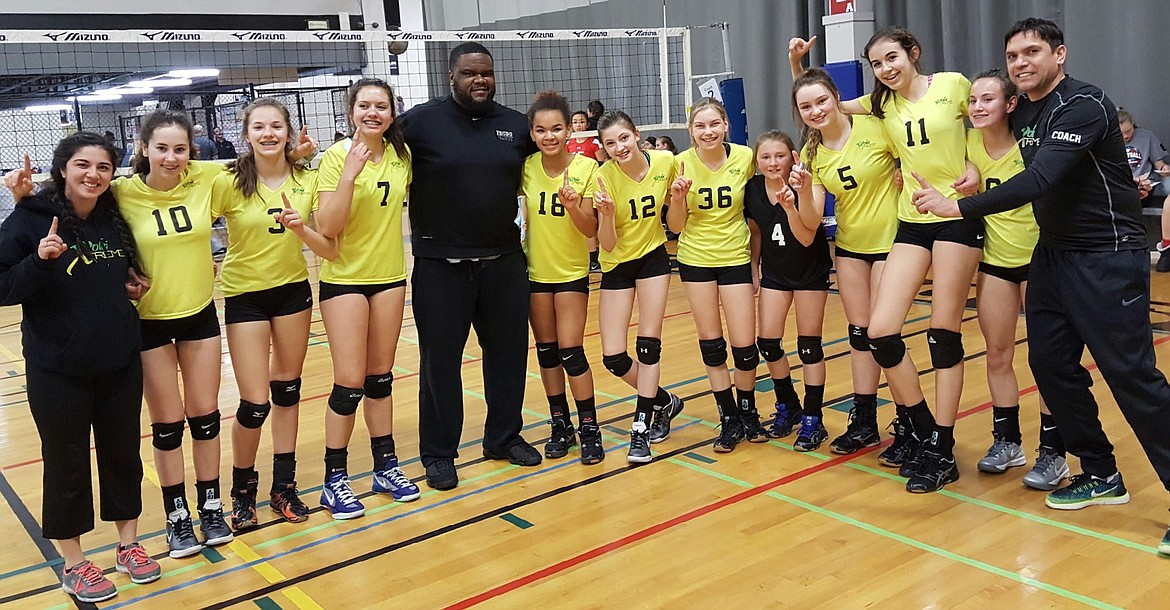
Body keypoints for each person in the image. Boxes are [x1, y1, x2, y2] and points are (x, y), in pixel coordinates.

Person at [912, 17, 1170, 554]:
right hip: (1052, 255)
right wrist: (976, 173)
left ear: (1060, 54)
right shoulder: (1022, 108)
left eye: (1032, 52)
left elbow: (1042, 177)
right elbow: (996, 146)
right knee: (1050, 365)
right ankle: (1101, 472)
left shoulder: (1084, 104)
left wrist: (957, 206)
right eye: (1012, 56)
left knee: (1134, 380)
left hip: (1107, 257)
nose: (1021, 63)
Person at [791, 29, 981, 493]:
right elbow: (823, 102)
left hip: (955, 214)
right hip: (911, 221)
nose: (886, 69)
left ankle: (942, 446)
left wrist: (978, 168)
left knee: (942, 335)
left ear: (912, 53)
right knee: (878, 333)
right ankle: (920, 427)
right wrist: (798, 69)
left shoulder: (953, 84)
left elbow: (989, 122)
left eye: (891, 58)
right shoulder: (880, 105)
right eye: (876, 64)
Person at [0, 132, 160, 603]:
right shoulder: (30, 217)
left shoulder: (112, 218)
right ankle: (74, 564)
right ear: (63, 169)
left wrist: (131, 287)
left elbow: (112, 275)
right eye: (82, 165)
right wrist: (40, 261)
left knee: (123, 455)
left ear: (113, 175)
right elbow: (3, 288)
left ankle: (128, 545)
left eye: (103, 167)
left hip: (118, 360)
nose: (93, 174)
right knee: (66, 462)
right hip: (58, 367)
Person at [399, 42, 542, 491]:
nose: (479, 80)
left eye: (486, 73)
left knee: (508, 358)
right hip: (441, 266)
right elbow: (371, 147)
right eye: (469, 73)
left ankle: (503, 437)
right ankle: (439, 453)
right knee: (440, 364)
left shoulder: (516, 126)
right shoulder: (419, 123)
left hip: (503, 263)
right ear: (451, 77)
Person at [212, 98, 337, 530]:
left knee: (287, 392)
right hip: (244, 296)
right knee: (254, 402)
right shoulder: (227, 180)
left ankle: (284, 487)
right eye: (259, 127)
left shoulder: (308, 178)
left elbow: (329, 248)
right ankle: (241, 492)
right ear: (245, 134)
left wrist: (302, 228)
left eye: (276, 126)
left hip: (292, 294)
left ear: (289, 132)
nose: (268, 133)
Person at [314, 78, 420, 517]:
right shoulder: (335, 158)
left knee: (380, 378)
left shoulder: (402, 156)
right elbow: (327, 227)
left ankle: (385, 466)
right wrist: (350, 175)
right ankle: (333, 478)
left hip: (391, 277)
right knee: (349, 381)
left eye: (381, 106)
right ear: (351, 112)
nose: (372, 113)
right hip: (345, 281)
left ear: (391, 113)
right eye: (364, 106)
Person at [963, 69, 1068, 489]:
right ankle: (1008, 441)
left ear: (1010, 104)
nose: (978, 107)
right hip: (995, 264)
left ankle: (1054, 451)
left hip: (1042, 261)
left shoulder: (1033, 146)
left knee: (1047, 360)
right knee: (997, 354)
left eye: (988, 99)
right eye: (972, 100)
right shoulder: (966, 143)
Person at [787, 67, 899, 456]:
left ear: (836, 97)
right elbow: (813, 219)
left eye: (821, 101)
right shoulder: (810, 153)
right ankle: (865, 419)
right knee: (859, 335)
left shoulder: (874, 127)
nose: (816, 110)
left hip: (892, 242)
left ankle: (907, 422)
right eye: (806, 106)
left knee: (886, 337)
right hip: (851, 246)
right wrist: (801, 192)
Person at [666, 98, 764, 454]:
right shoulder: (680, 164)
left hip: (736, 257)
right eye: (700, 126)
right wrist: (677, 199)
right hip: (696, 260)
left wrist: (756, 265)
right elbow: (675, 228)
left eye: (713, 124)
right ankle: (728, 417)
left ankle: (749, 410)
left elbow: (756, 218)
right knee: (712, 345)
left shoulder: (744, 158)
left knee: (744, 346)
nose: (707, 132)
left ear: (725, 125)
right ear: (691, 132)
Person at [592, 110, 684, 463]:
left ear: (637, 135)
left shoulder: (665, 162)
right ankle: (664, 401)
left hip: (653, 259)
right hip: (617, 265)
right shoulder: (604, 178)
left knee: (648, 345)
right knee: (613, 358)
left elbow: (676, 224)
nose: (619, 147)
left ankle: (641, 428)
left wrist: (676, 199)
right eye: (610, 143)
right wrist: (609, 215)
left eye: (624, 139)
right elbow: (608, 244)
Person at [520, 91, 604, 464]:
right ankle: (561, 425)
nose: (549, 136)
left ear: (570, 129)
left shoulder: (586, 169)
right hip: (536, 272)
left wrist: (572, 207)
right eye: (541, 130)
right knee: (547, 353)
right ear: (533, 133)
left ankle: (590, 427)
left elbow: (591, 230)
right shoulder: (526, 168)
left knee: (572, 352)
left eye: (556, 128)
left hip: (571, 272)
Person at [743, 130, 833, 451]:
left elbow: (807, 236)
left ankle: (813, 418)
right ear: (757, 160)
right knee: (768, 343)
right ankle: (788, 403)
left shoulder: (803, 184)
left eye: (780, 155)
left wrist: (792, 203)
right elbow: (756, 231)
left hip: (810, 272)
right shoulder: (752, 190)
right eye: (765, 157)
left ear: (793, 156)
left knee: (809, 347)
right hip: (776, 274)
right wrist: (754, 268)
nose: (773, 162)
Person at [1118, 109, 1170, 270]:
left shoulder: (1146, 136)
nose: (1126, 136)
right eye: (1122, 133)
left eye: (1129, 131)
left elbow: (1158, 163)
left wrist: (1164, 168)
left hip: (1145, 184)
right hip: (1120, 186)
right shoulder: (1108, 141)